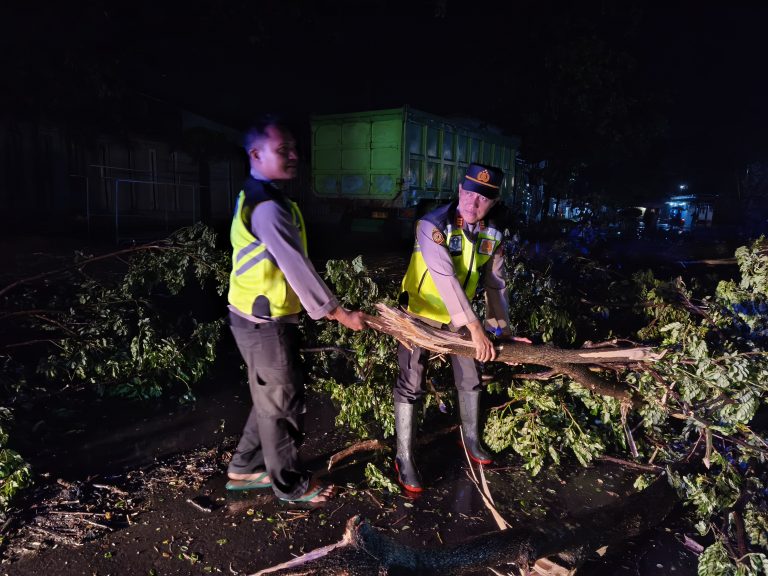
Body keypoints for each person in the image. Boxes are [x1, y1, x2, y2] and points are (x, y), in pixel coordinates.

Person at [226, 116, 366, 505]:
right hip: (263, 322)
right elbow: (298, 269)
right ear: (256, 154)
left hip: (255, 315)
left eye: (293, 148)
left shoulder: (262, 195)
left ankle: (243, 468)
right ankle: (290, 487)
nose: (293, 155)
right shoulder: (268, 206)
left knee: (269, 397)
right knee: (283, 403)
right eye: (282, 149)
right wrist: (341, 314)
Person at [395, 162, 529, 493]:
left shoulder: (494, 233)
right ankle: (404, 457)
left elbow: (496, 285)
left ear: (494, 202)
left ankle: (470, 439)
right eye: (468, 194)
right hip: (420, 315)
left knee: (470, 378)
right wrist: (475, 326)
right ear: (459, 191)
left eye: (482, 199)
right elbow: (446, 279)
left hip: (463, 319)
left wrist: (500, 330)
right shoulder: (433, 225)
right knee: (411, 382)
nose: (472, 204)